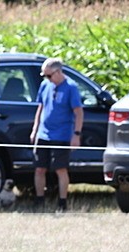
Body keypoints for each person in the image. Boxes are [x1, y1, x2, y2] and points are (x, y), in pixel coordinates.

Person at [30, 58, 84, 212]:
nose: (47, 79)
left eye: (49, 75)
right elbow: (40, 107)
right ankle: (39, 200)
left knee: (60, 169)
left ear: (59, 72)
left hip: (61, 135)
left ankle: (62, 202)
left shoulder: (71, 88)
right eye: (45, 76)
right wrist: (35, 128)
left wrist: (76, 134)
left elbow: (79, 113)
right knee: (39, 168)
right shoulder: (45, 85)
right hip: (43, 134)